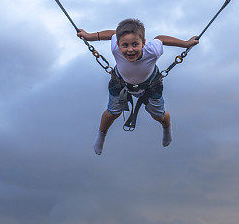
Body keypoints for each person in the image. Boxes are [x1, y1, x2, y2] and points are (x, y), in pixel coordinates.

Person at [77, 18, 198, 155]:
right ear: (118, 44)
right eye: (125, 45)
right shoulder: (115, 46)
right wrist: (89, 37)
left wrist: (186, 44)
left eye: (135, 44)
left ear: (144, 43)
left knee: (159, 115)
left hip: (150, 84)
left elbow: (160, 39)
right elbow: (113, 34)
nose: (130, 50)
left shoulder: (153, 50)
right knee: (112, 113)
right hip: (120, 82)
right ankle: (101, 136)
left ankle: (166, 128)